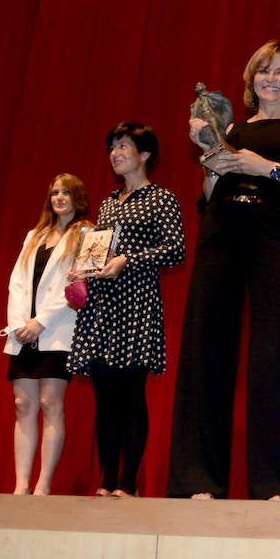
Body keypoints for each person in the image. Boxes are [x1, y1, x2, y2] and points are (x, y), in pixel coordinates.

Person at [167, 42, 280, 501]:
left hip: (271, 237)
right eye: (264, 71)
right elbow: (209, 193)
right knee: (205, 351)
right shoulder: (234, 128)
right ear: (251, 80)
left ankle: (275, 484)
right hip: (221, 233)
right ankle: (196, 481)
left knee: (272, 354)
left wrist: (264, 168)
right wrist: (210, 154)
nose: (271, 79)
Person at [68, 123, 185, 497]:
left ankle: (127, 483)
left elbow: (176, 249)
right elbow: (99, 250)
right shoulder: (107, 202)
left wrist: (128, 260)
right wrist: (82, 266)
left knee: (131, 393)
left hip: (136, 303)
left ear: (145, 154)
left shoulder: (162, 198)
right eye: (112, 148)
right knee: (105, 397)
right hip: (102, 307)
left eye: (122, 146)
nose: (115, 154)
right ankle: (105, 481)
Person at [0, 174, 93, 495]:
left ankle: (43, 485)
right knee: (22, 404)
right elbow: (17, 283)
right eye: (54, 192)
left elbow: (78, 288)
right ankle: (21, 485)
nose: (59, 197)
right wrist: (19, 325)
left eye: (66, 192)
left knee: (50, 403)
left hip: (57, 331)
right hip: (24, 331)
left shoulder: (86, 234)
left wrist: (40, 322)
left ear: (78, 197)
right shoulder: (33, 236)